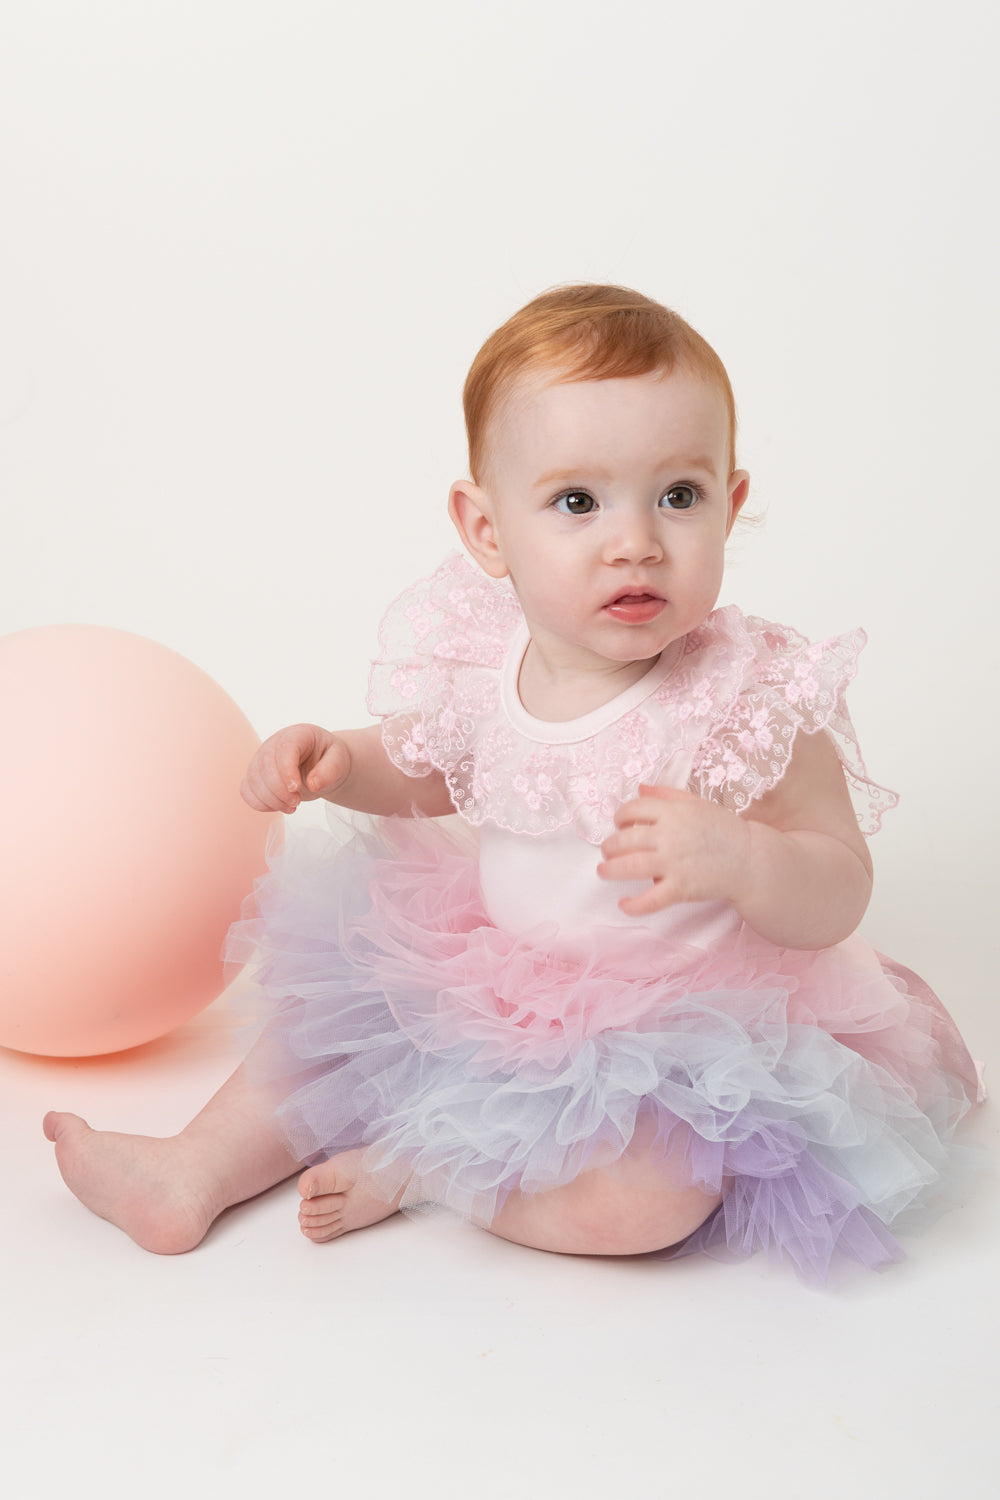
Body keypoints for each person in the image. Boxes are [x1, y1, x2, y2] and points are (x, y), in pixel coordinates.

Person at [44, 284, 982, 1282]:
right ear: (486, 530)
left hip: (680, 1034)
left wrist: (744, 858)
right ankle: (190, 1170)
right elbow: (428, 770)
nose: (635, 540)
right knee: (325, 1029)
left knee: (650, 1199)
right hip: (489, 975)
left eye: (678, 495)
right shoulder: (484, 664)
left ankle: (427, 1172)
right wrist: (339, 763)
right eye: (578, 502)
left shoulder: (744, 701)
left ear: (731, 502)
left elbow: (839, 881)